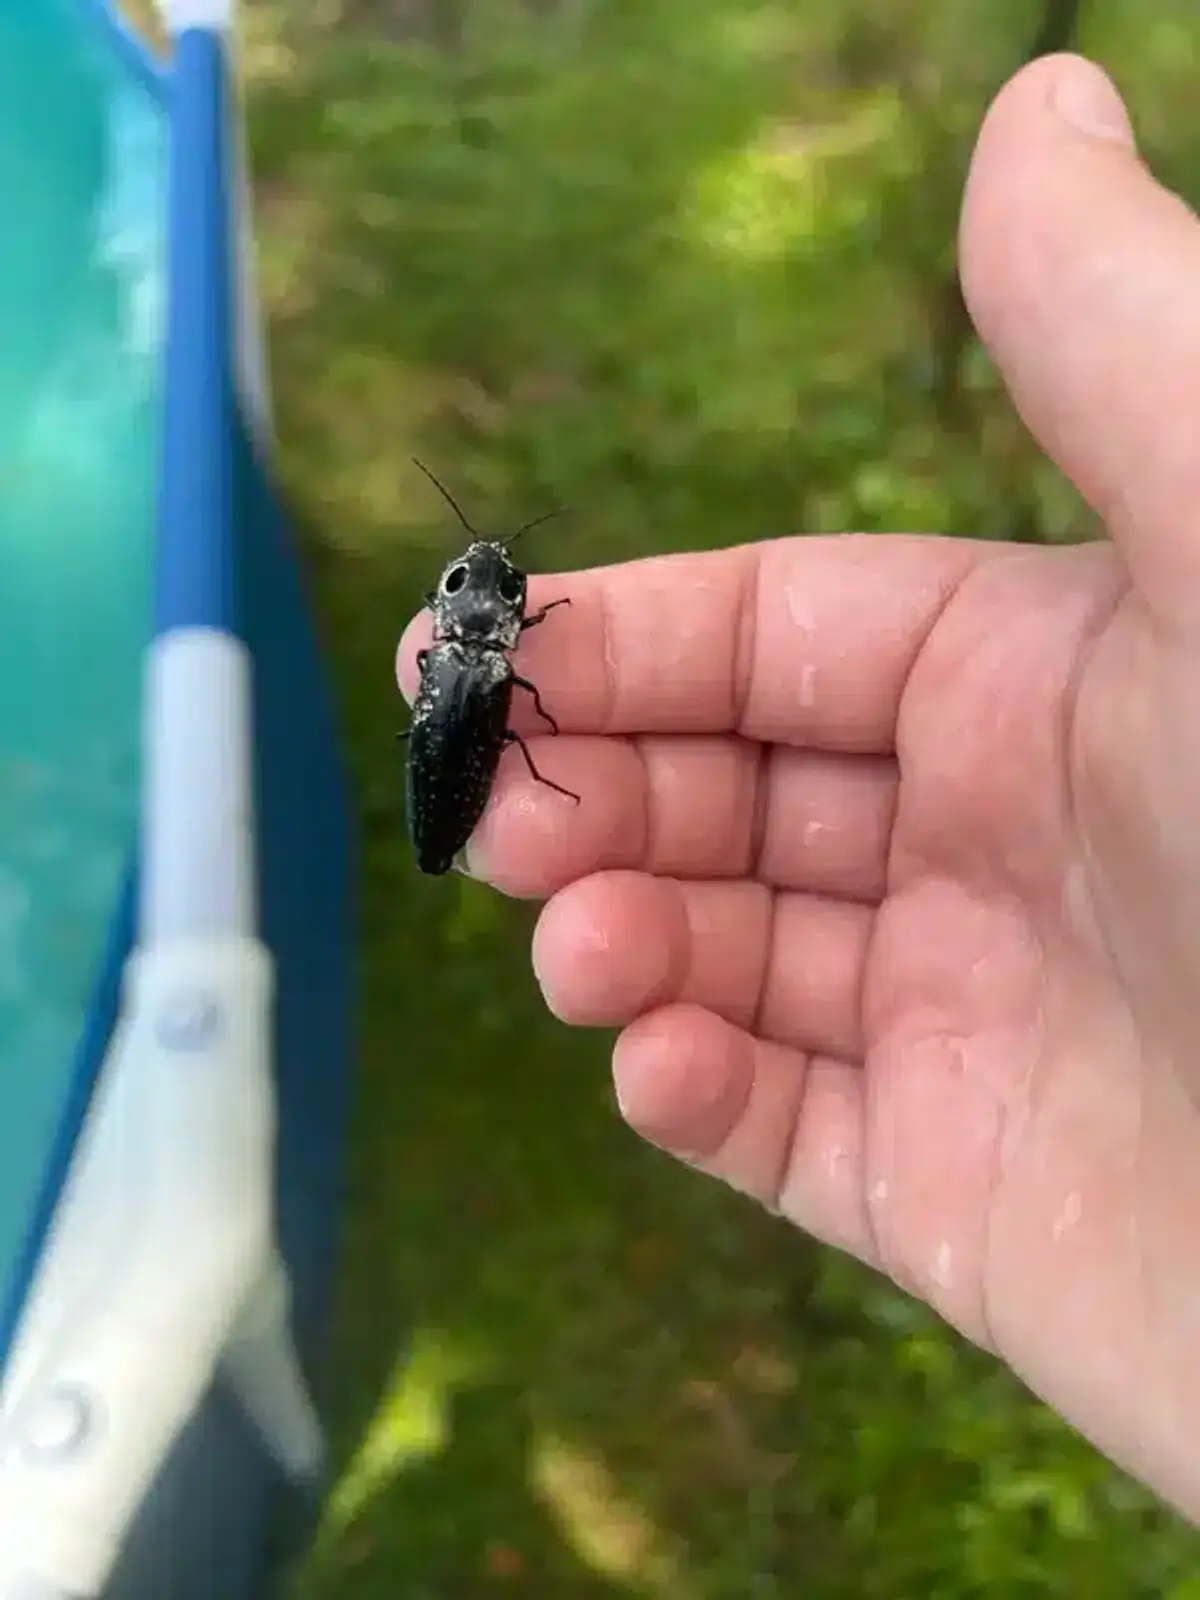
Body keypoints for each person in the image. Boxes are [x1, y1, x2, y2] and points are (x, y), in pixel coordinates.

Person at [397, 54, 1200, 1525]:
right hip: (473, 759)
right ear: (478, 611)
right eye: (482, 583)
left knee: (478, 772)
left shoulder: (477, 649)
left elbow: (481, 699)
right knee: (476, 767)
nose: (486, 594)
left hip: (475, 760)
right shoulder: (489, 652)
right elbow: (486, 703)